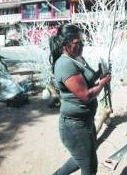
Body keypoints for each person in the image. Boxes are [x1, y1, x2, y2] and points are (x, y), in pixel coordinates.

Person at [49, 23, 111, 175]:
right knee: (89, 167)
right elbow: (86, 95)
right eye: (77, 42)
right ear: (65, 44)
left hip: (84, 121)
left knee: (80, 158)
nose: (82, 45)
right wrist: (103, 83)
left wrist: (100, 73)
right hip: (74, 126)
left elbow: (86, 81)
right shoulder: (64, 64)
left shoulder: (77, 58)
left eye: (82, 41)